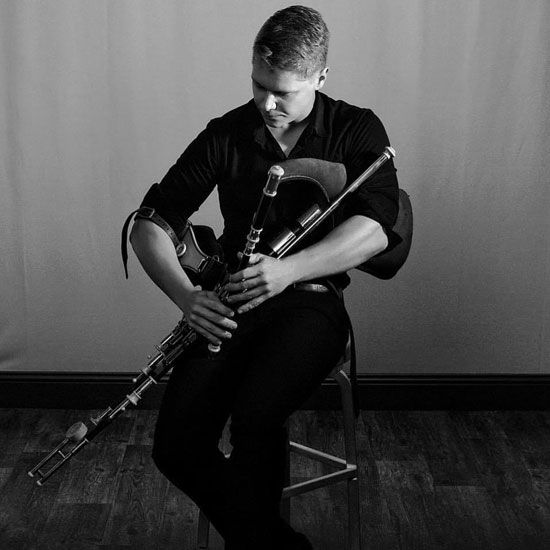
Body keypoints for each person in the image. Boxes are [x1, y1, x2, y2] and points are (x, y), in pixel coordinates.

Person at [130, 5, 399, 549]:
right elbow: (150, 224)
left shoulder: (356, 127)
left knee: (255, 417)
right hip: (231, 299)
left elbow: (375, 230)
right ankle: (275, 544)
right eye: (258, 86)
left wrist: (288, 271)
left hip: (312, 301)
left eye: (283, 93)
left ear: (321, 77)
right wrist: (187, 298)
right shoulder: (227, 133)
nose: (267, 104)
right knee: (175, 445)